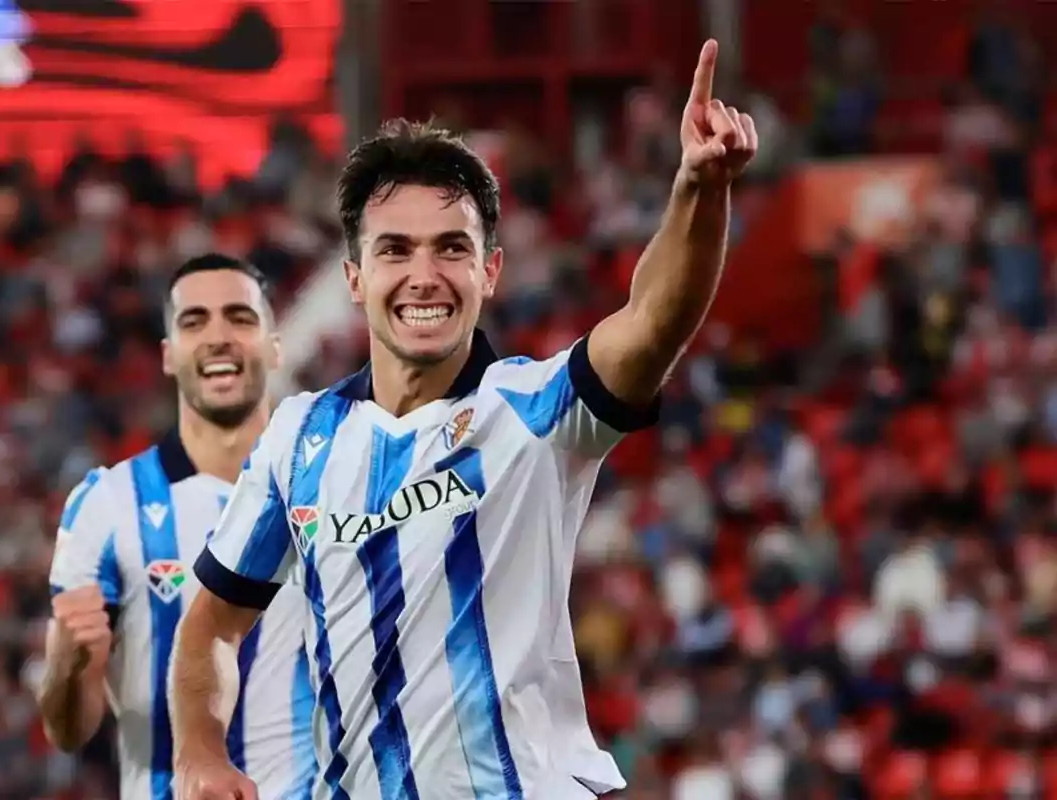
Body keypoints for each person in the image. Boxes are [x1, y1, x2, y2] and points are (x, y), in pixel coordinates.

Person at [172, 39, 757, 799]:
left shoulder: (536, 412)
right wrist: (199, 754)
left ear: (490, 271)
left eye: (452, 248)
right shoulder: (298, 437)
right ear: (355, 277)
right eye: (395, 251)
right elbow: (211, 625)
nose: (425, 275)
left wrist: (697, 192)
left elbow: (652, 321)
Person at [39, 254, 316, 800]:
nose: (218, 337)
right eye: (194, 322)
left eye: (240, 317)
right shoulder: (107, 504)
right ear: (168, 355)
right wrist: (68, 667)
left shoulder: (334, 484)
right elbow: (68, 730)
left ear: (274, 346)